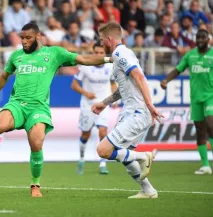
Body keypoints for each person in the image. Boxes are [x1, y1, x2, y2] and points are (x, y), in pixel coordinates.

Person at [0, 22, 113, 197]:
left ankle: (35, 185)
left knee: (36, 143)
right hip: (17, 104)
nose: (24, 41)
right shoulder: (16, 56)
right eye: (22, 38)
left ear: (38, 36)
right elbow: (4, 76)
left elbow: (85, 59)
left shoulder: (54, 53)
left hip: (39, 108)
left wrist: (109, 59)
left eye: (28, 38)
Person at [92, 21, 164, 199]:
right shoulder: (119, 57)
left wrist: (149, 106)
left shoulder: (120, 52)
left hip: (138, 113)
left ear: (109, 39)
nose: (101, 44)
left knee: (103, 150)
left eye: (102, 40)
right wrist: (105, 102)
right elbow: (123, 89)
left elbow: (139, 76)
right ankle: (148, 191)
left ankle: (144, 157)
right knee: (123, 156)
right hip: (132, 112)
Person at [161, 29, 213, 175]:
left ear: (208, 40)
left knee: (211, 124)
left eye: (203, 38)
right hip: (195, 98)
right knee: (200, 129)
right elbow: (178, 69)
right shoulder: (190, 55)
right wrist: (166, 80)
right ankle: (205, 165)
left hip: (211, 96)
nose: (200, 40)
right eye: (198, 38)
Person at [71, 42, 117, 175]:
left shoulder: (110, 67)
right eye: (96, 53)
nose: (98, 55)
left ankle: (103, 163)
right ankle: (81, 159)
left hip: (103, 104)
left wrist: (113, 99)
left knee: (103, 131)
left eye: (101, 53)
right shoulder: (85, 67)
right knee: (86, 134)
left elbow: (113, 84)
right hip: (87, 104)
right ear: (93, 53)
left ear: (105, 54)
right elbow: (74, 85)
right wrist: (86, 93)